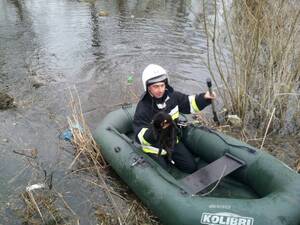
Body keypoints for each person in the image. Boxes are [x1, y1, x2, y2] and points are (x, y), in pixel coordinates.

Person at [133, 64, 216, 173]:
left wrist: (204, 98)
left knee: (190, 167)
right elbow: (140, 137)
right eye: (156, 86)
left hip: (172, 142)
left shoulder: (173, 97)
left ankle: (171, 159)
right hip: (154, 148)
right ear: (148, 87)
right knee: (163, 173)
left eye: (162, 85)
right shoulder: (143, 107)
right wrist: (157, 128)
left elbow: (189, 102)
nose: (160, 90)